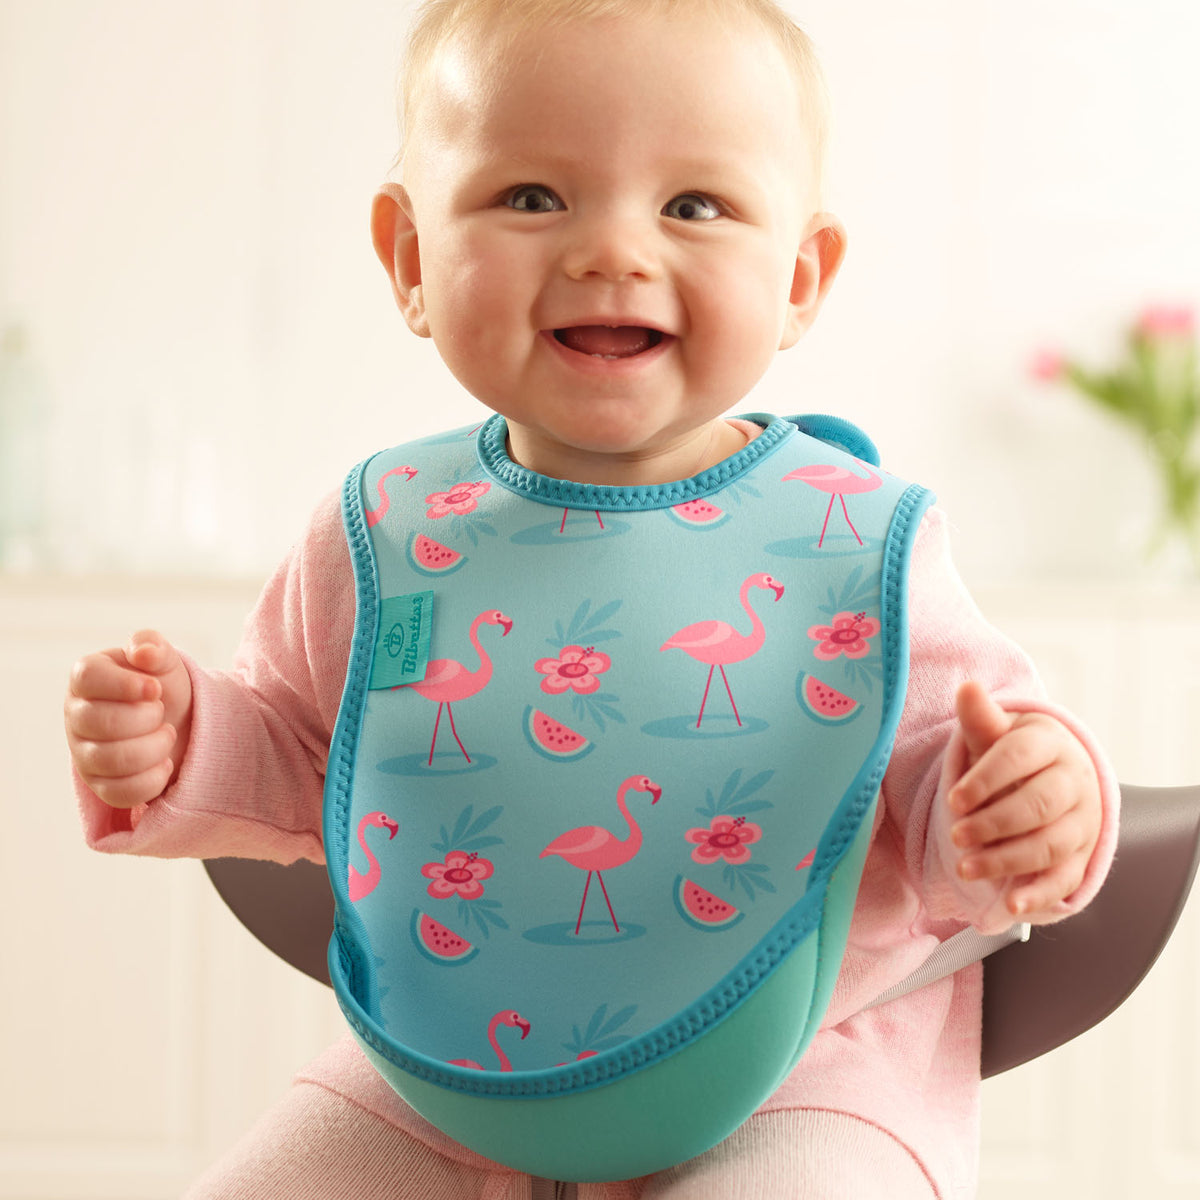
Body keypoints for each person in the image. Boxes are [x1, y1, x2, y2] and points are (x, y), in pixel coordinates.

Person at [63, 1, 1118, 1196]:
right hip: (447, 1069)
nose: (610, 251)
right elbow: (316, 749)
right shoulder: (385, 529)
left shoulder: (863, 542)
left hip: (808, 1068)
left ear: (801, 276)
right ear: (411, 260)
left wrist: (1029, 803)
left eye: (693, 205)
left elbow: (959, 766)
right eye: (531, 198)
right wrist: (186, 736)